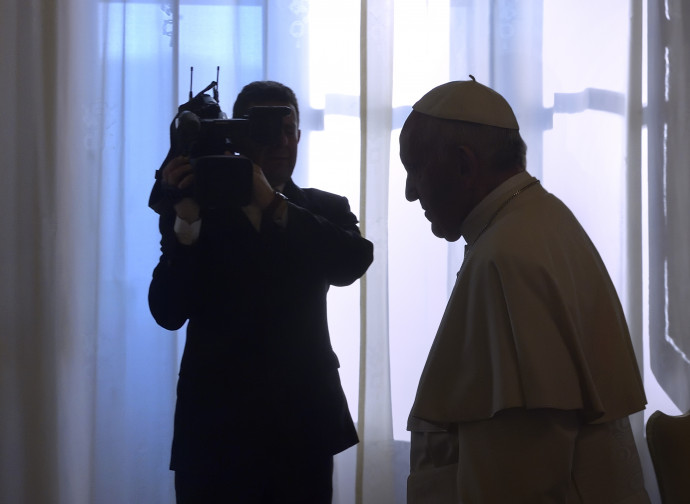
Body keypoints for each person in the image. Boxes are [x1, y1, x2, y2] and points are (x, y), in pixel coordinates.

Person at [399, 77, 650, 503]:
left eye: (415, 168)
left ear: (463, 164)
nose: (409, 193)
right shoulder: (542, 219)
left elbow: (521, 473)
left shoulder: (504, 257)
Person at [148, 80, 373, 503]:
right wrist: (187, 223)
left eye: (288, 130)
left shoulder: (325, 208)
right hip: (213, 435)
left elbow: (352, 264)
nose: (281, 142)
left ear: (300, 136)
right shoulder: (197, 208)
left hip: (302, 429)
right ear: (238, 135)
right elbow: (167, 311)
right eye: (267, 130)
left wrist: (273, 203)